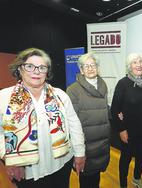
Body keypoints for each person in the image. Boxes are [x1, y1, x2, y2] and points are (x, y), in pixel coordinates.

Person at [0, 48, 86, 188]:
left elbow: (74, 125)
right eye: (30, 66)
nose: (36, 71)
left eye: (42, 67)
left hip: (61, 165)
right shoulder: (4, 97)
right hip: (26, 171)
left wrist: (80, 153)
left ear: (47, 72)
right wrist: (10, 159)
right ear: (20, 69)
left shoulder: (60, 96)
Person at [66, 52, 110, 188]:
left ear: (98, 67)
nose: (90, 68)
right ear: (81, 70)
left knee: (96, 178)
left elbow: (103, 110)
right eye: (86, 66)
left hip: (102, 142)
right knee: (86, 180)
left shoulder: (103, 85)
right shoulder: (73, 90)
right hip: (85, 144)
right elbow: (71, 122)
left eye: (93, 65)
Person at [111, 53, 142, 188]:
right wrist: (121, 129)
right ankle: (123, 184)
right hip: (128, 131)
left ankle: (137, 179)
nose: (139, 65)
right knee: (126, 158)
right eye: (135, 62)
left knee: (141, 157)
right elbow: (115, 109)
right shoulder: (123, 83)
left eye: (140, 62)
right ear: (130, 66)